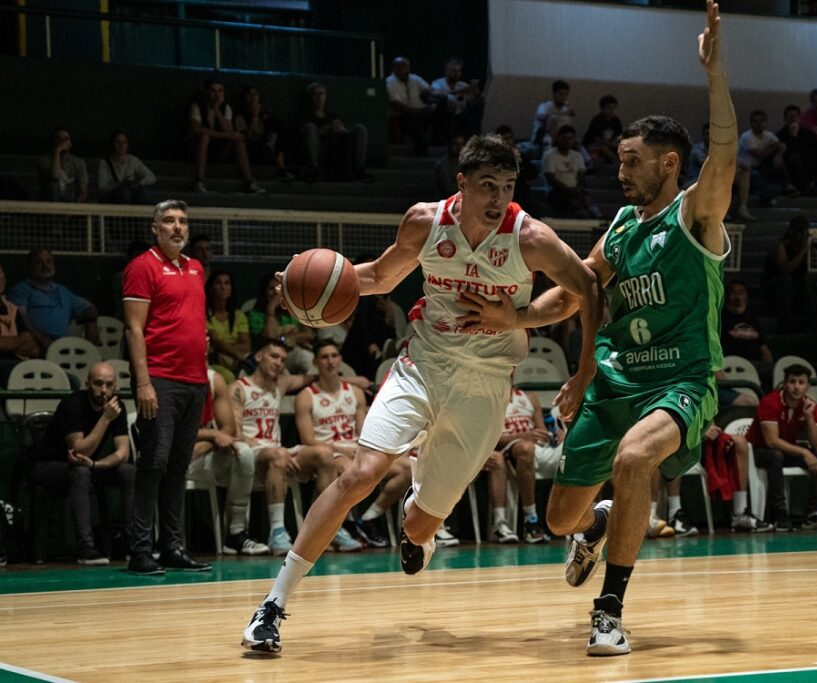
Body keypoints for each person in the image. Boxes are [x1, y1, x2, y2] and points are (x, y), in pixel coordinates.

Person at [241, 132, 601, 653]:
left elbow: (586, 287)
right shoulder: (425, 222)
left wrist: (564, 355)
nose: (497, 198)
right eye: (486, 186)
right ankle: (272, 607)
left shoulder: (530, 238)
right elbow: (380, 277)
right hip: (422, 365)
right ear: (461, 184)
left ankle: (420, 523)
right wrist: (309, 292)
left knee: (417, 524)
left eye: (506, 186)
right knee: (359, 474)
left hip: (484, 385)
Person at [458, 2, 737, 656]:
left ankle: (609, 606)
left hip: (679, 381)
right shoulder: (620, 226)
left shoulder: (696, 214)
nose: (620, 170)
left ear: (669, 163)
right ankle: (602, 523)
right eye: (618, 159)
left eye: (632, 160)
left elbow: (722, 155)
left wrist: (716, 75)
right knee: (561, 517)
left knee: (635, 458)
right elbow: (578, 290)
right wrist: (516, 314)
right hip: (614, 382)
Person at [122, 199, 211, 575]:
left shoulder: (195, 268)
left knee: (178, 467)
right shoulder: (142, 267)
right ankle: (140, 551)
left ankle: (172, 547)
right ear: (155, 228)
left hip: (194, 381)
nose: (177, 227)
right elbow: (134, 330)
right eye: (169, 221)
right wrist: (143, 383)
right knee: (154, 464)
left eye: (183, 221)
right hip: (159, 379)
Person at [230, 339, 341, 555]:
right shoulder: (238, 388)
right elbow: (234, 433)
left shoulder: (280, 385)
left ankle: (328, 527)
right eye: (274, 357)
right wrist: (266, 448)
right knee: (278, 454)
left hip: (276, 453)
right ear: (259, 357)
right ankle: (277, 532)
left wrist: (357, 382)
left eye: (283, 359)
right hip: (248, 453)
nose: (279, 363)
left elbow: (316, 377)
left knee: (325, 454)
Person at [31, 361, 133, 565]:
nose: (103, 390)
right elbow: (79, 449)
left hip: (86, 464)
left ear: (115, 387)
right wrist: (105, 419)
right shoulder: (73, 403)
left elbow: (123, 453)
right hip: (48, 466)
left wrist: (96, 465)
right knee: (80, 473)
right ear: (87, 383)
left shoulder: (117, 406)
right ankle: (86, 548)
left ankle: (136, 544)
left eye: (109, 384)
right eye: (98, 383)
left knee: (128, 471)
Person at [294, 339, 384, 551]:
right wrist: (342, 449)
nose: (330, 361)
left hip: (355, 449)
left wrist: (363, 448)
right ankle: (344, 525)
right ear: (316, 362)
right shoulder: (306, 396)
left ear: (341, 359)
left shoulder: (355, 393)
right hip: (329, 451)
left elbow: (364, 432)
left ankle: (368, 519)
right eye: (324, 357)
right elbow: (307, 439)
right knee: (348, 470)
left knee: (405, 468)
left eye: (334, 356)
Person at [746, 364, 817, 532]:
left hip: (785, 450)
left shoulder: (810, 406)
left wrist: (809, 417)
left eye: (801, 382)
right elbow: (771, 441)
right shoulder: (770, 402)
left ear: (808, 386)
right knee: (775, 456)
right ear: (785, 383)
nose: (796, 387)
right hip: (758, 452)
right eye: (792, 382)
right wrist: (804, 452)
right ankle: (780, 515)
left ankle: (814, 513)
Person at [189, 363, 269, 555]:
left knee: (244, 453)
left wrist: (210, 441)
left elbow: (228, 430)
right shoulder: (168, 377)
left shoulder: (214, 379)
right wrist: (212, 435)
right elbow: (174, 434)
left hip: (203, 453)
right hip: (175, 459)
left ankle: (236, 533)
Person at [493, 387, 554, 543]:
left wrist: (544, 435)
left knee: (581, 449)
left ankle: (583, 520)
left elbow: (542, 430)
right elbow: (492, 439)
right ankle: (531, 519)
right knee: (525, 448)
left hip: (539, 447)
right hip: (511, 447)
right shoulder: (489, 397)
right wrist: (523, 436)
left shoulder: (530, 397)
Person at [10, 248, 100, 351]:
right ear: (30, 266)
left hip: (62, 346)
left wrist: (91, 324)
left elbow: (89, 308)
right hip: (34, 345)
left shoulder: (62, 291)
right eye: (38, 262)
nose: (45, 266)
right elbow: (22, 318)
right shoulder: (21, 290)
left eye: (49, 261)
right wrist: (41, 338)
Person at [187, 77, 265, 194]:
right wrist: (223, 135)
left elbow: (228, 131)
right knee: (204, 137)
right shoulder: (197, 106)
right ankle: (199, 181)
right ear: (207, 92)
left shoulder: (226, 108)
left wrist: (217, 109)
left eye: (220, 91)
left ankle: (249, 181)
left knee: (238, 141)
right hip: (197, 148)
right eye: (213, 91)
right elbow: (197, 129)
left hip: (218, 149)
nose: (216, 94)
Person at [302, 82, 371, 182]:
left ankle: (359, 170)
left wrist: (340, 129)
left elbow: (343, 133)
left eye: (322, 94)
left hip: (335, 149)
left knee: (360, 129)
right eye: (316, 94)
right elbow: (306, 134)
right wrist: (327, 129)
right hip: (319, 150)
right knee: (310, 126)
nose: (319, 97)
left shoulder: (332, 116)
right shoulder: (305, 116)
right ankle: (314, 170)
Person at [760, 215, 810, 332]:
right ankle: (786, 327)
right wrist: (803, 251)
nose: (802, 235)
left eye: (804, 231)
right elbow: (785, 270)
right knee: (786, 282)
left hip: (798, 284)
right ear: (791, 231)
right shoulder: (781, 245)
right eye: (799, 231)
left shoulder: (807, 247)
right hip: (774, 284)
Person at [234, 85, 294, 180]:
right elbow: (246, 137)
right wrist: (254, 119)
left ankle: (281, 168)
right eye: (250, 94)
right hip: (251, 150)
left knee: (277, 127)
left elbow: (273, 129)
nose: (253, 97)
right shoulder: (240, 117)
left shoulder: (265, 116)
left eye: (255, 94)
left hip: (267, 149)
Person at [543, 125, 599, 218]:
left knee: (588, 198)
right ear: (558, 138)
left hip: (575, 190)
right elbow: (551, 179)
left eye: (570, 138)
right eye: (564, 138)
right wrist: (570, 191)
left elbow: (582, 175)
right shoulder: (549, 155)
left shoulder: (577, 155)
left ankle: (598, 218)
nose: (567, 141)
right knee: (569, 200)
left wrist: (578, 188)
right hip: (556, 191)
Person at [205, 269, 251, 383]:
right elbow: (216, 342)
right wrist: (237, 354)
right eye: (218, 283)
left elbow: (246, 345)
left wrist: (225, 349)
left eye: (227, 283)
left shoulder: (239, 315)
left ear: (231, 289)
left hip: (234, 358)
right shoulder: (205, 315)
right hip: (215, 362)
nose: (223, 287)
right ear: (211, 289)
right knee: (229, 376)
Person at [720, 280, 772, 376]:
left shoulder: (753, 320)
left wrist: (771, 365)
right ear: (726, 296)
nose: (737, 296)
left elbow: (763, 348)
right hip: (732, 365)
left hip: (756, 366)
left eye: (741, 292)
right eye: (733, 292)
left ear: (747, 297)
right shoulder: (720, 319)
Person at [776, 104, 817, 195]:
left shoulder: (807, 132)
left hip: (809, 162)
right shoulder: (781, 134)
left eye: (796, 116)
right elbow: (789, 152)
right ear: (785, 119)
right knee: (795, 157)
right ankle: (806, 187)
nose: (794, 119)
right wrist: (793, 136)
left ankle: (814, 185)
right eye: (791, 117)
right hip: (791, 165)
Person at [0, 263, 39, 387]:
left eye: (1, 274)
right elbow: (25, 339)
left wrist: (7, 344)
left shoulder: (12, 309)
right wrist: (20, 340)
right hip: (7, 368)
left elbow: (33, 349)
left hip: (18, 365)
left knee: (71, 381)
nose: (0, 278)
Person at [386, 57, 434, 155]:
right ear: (395, 68)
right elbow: (397, 104)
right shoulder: (389, 82)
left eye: (408, 67)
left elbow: (429, 89)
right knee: (413, 118)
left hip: (420, 110)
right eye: (404, 68)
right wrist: (416, 110)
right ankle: (420, 148)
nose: (407, 71)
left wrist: (430, 97)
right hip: (402, 113)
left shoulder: (414, 78)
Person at [96, 130, 156, 205]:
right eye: (118, 142)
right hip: (113, 198)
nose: (121, 145)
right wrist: (120, 184)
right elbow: (102, 188)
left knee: (144, 194)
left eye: (124, 142)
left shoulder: (133, 160)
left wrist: (137, 182)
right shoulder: (104, 163)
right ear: (112, 144)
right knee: (124, 193)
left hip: (132, 195)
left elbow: (151, 177)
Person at [430, 58, 485, 138]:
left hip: (462, 114)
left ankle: (473, 137)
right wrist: (460, 92)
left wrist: (476, 93)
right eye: (454, 71)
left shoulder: (462, 85)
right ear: (446, 71)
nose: (457, 74)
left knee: (479, 102)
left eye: (459, 71)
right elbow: (437, 94)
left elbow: (473, 98)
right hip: (444, 115)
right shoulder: (438, 83)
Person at [38, 127, 87, 202]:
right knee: (53, 186)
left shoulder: (79, 162)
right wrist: (57, 151)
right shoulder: (44, 161)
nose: (62, 141)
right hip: (49, 202)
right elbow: (54, 176)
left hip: (70, 201)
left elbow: (83, 190)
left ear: (70, 143)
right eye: (59, 138)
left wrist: (75, 207)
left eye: (66, 138)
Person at [583, 95, 624, 165]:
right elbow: (596, 139)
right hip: (593, 145)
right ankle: (617, 163)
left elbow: (619, 136)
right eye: (609, 108)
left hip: (609, 145)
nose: (611, 111)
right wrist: (611, 145)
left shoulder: (616, 121)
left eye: (613, 108)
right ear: (602, 108)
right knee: (603, 148)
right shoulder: (597, 120)